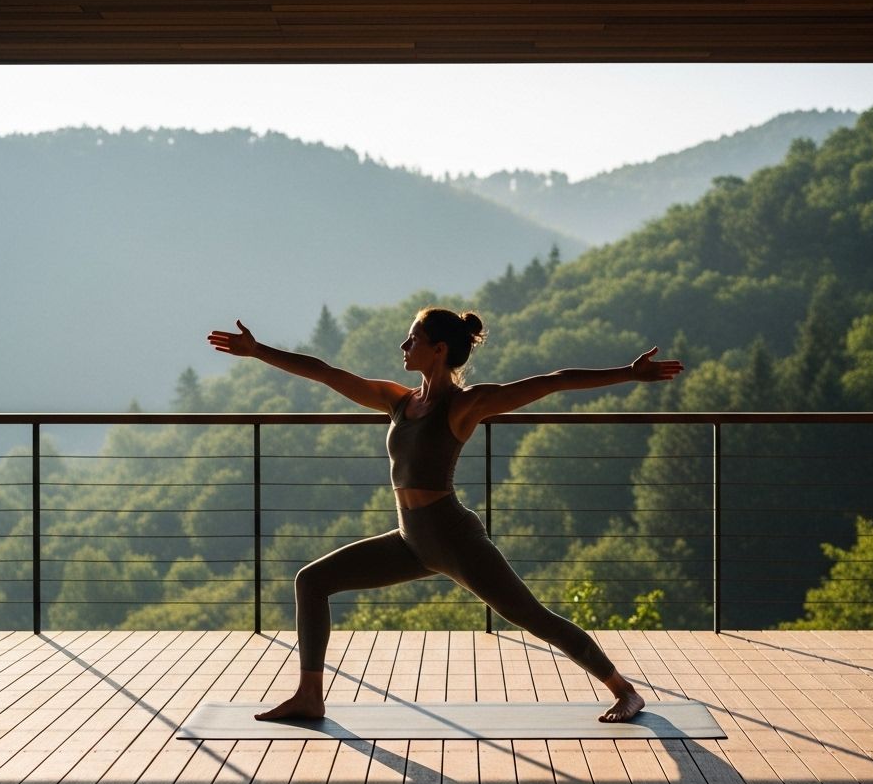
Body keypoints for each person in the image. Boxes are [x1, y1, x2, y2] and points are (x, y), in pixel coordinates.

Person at [207, 308, 683, 723]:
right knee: (311, 581)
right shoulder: (398, 400)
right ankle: (310, 697)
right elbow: (327, 372)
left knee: (534, 618)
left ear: (436, 349)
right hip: (411, 540)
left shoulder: (464, 404)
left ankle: (625, 691)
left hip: (454, 540)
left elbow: (551, 382)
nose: (402, 344)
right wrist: (258, 350)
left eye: (411, 338)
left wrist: (628, 373)